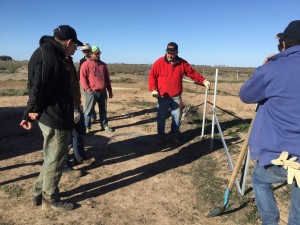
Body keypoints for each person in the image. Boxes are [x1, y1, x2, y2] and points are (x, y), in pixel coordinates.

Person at [239, 20, 300, 225]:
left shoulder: (273, 69)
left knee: (259, 180)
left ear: (284, 43)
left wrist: (264, 67)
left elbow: (246, 95)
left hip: (280, 154)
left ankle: (270, 221)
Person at [20, 25, 83, 211]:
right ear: (69, 42)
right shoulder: (49, 56)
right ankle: (50, 198)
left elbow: (40, 86)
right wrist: (30, 112)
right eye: (75, 46)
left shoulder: (50, 53)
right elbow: (38, 87)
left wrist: (31, 112)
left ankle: (38, 193)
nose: (75, 50)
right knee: (56, 159)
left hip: (54, 115)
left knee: (51, 158)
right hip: (54, 117)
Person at [148, 42, 210, 145]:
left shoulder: (182, 63)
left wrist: (203, 80)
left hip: (176, 96)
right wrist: (153, 89)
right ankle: (160, 136)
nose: (170, 55)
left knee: (177, 117)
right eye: (168, 52)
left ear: (177, 52)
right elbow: (152, 76)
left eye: (172, 53)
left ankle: (174, 135)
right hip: (163, 96)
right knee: (161, 117)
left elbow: (192, 73)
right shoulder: (159, 63)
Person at [80, 45, 114, 133]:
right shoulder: (85, 64)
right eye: (96, 54)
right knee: (88, 111)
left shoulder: (103, 65)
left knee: (103, 110)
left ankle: (105, 125)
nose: (98, 55)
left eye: (99, 53)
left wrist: (109, 90)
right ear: (91, 54)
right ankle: (86, 127)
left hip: (103, 92)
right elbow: (82, 78)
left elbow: (107, 79)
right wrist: (88, 89)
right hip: (91, 92)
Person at [78, 43, 97, 122]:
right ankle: (92, 116)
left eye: (86, 50)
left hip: (94, 84)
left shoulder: (95, 60)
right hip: (86, 84)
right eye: (83, 51)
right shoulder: (82, 60)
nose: (84, 52)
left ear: (90, 51)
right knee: (88, 101)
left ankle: (93, 116)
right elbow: (80, 72)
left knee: (92, 101)